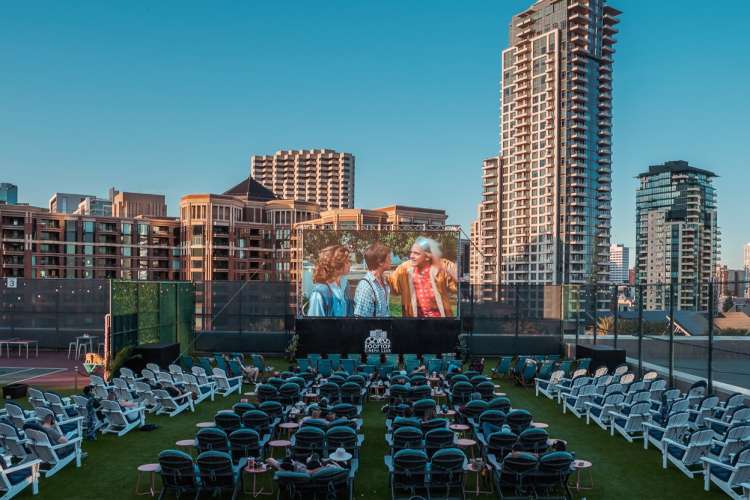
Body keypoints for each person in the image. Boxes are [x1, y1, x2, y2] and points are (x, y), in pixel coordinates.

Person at [388, 237, 457, 318]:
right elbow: (391, 286)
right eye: (411, 252)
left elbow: (457, 286)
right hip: (414, 324)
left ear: (428, 257)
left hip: (439, 323)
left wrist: (455, 275)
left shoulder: (443, 266)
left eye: (416, 253)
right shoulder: (404, 269)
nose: (411, 256)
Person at [307, 245, 352, 317]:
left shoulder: (345, 286)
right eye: (347, 261)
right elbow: (314, 325)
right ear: (336, 265)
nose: (350, 264)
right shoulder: (319, 293)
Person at [353, 242, 392, 317]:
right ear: (380, 262)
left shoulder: (383, 281)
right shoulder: (366, 287)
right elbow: (362, 320)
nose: (391, 260)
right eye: (388, 258)